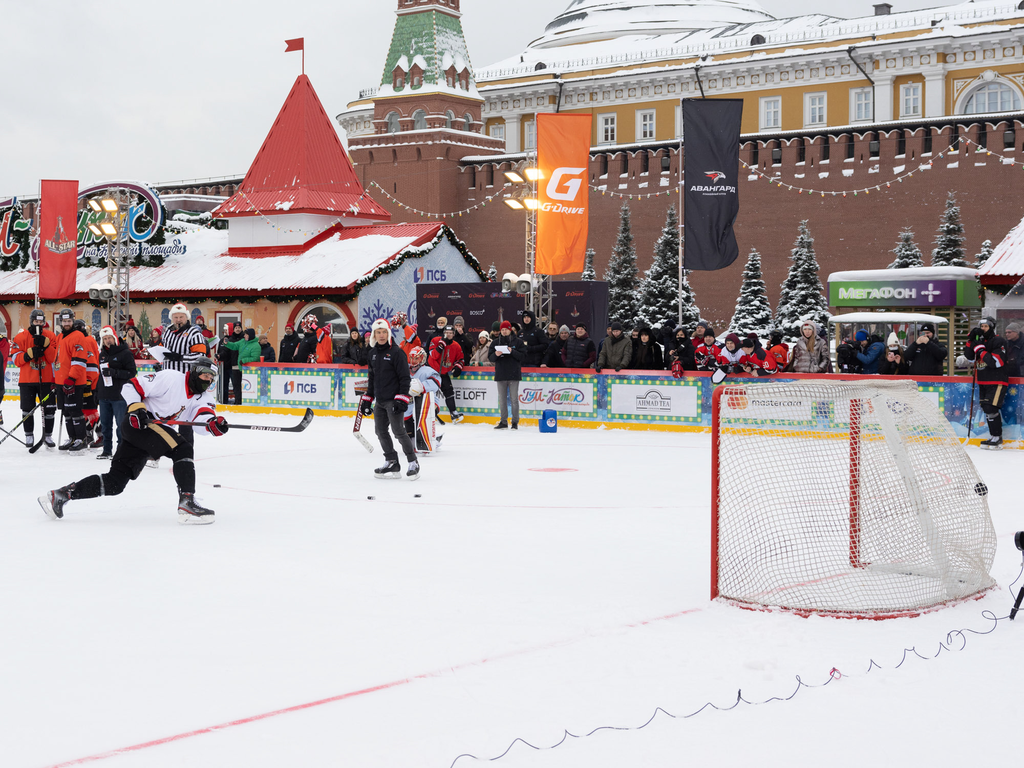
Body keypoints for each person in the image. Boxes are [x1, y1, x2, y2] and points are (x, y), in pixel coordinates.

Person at [38, 356, 228, 524]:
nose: (208, 381)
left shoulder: (204, 397)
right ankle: (187, 501)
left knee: (115, 483)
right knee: (183, 449)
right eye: (205, 376)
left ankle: (62, 495)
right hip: (139, 423)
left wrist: (213, 424)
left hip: (150, 434)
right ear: (195, 372)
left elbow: (201, 421)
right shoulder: (170, 378)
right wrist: (137, 408)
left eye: (211, 379)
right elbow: (131, 386)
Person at [361, 318, 419, 479]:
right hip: (379, 401)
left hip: (394, 400)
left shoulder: (397, 352)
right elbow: (372, 379)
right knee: (380, 431)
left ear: (389, 333)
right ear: (374, 334)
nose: (381, 335)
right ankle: (392, 461)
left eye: (384, 332)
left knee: (398, 431)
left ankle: (413, 461)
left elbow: (404, 379)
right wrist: (367, 398)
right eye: (378, 332)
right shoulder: (372, 354)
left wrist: (401, 399)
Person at [161, 303, 212, 444]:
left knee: (185, 421)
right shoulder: (167, 332)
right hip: (167, 382)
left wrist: (180, 357)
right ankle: (157, 452)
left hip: (185, 383)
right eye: (175, 317)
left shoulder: (194, 333)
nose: (178, 320)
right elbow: (163, 351)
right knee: (164, 419)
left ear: (187, 317)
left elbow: (200, 356)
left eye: (181, 317)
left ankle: (186, 455)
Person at [10, 308, 58, 448]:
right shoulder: (20, 337)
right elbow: (15, 359)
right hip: (27, 380)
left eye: (41, 321)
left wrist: (46, 345)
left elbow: (52, 358)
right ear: (31, 322)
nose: (38, 324)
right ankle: (29, 435)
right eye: (36, 321)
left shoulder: (50, 336)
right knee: (27, 409)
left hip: (46, 379)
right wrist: (27, 355)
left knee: (49, 409)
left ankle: (48, 435)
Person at [962, 317, 1009, 449]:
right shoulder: (980, 342)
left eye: (986, 327)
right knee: (986, 408)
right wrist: (971, 341)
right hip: (982, 379)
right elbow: (969, 356)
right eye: (981, 326)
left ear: (992, 327)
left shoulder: (999, 341)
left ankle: (997, 437)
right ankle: (993, 436)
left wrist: (980, 350)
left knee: (991, 408)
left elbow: (996, 362)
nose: (982, 329)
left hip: (997, 380)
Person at [53, 310, 93, 452]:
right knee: (66, 412)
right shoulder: (60, 337)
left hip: (73, 382)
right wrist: (56, 379)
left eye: (69, 321)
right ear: (61, 322)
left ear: (73, 321)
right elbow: (57, 359)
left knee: (75, 411)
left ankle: (80, 438)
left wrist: (71, 378)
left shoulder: (78, 336)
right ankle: (72, 438)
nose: (67, 324)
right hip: (61, 381)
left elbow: (79, 360)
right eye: (64, 321)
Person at [96, 325, 137, 459]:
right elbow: (100, 375)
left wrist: (114, 373)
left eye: (109, 338)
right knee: (105, 426)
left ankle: (121, 451)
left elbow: (132, 373)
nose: (108, 341)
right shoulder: (102, 354)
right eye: (105, 338)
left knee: (121, 426)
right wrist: (97, 393)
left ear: (115, 338)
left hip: (119, 396)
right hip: (104, 395)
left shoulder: (125, 353)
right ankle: (107, 450)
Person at [488, 320, 526, 429]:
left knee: (514, 399)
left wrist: (512, 351)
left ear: (510, 330)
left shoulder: (518, 342)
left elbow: (523, 356)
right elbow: (490, 357)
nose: (504, 332)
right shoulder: (495, 342)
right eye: (502, 330)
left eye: (506, 329)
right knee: (502, 399)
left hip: (514, 374)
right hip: (501, 374)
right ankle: (503, 422)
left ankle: (515, 422)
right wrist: (495, 354)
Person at [404, 345, 442, 452]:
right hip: (410, 403)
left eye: (416, 358)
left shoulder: (427, 370)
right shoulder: (405, 369)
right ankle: (413, 440)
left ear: (422, 358)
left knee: (421, 418)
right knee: (407, 420)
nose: (413, 361)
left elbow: (436, 382)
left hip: (428, 402)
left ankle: (429, 438)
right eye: (411, 358)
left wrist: (421, 386)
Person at [427, 324, 465, 423]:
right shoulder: (435, 340)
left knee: (449, 392)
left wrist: (458, 367)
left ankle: (453, 412)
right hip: (432, 372)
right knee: (431, 393)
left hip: (444, 373)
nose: (448, 335)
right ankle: (429, 412)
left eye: (450, 333)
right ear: (443, 333)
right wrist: (440, 346)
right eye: (446, 333)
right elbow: (433, 356)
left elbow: (460, 359)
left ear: (453, 334)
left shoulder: (456, 345)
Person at [217, 322, 244, 404]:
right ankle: (224, 401)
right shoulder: (226, 340)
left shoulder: (244, 339)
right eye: (236, 328)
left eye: (226, 329)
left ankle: (239, 401)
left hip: (238, 365)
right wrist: (219, 356)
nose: (238, 329)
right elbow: (225, 351)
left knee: (239, 385)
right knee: (226, 385)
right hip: (227, 366)